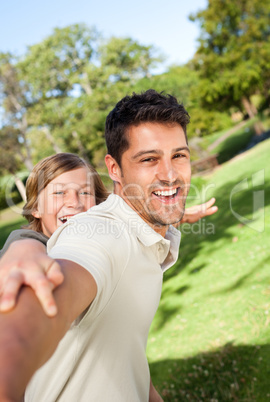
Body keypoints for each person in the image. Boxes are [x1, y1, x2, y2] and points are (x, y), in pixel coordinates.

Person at [0, 90, 217, 402]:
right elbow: (47, 302)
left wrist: (175, 217)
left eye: (179, 155)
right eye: (149, 159)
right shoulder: (98, 234)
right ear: (115, 169)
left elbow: (127, 362)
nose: (170, 174)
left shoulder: (143, 234)